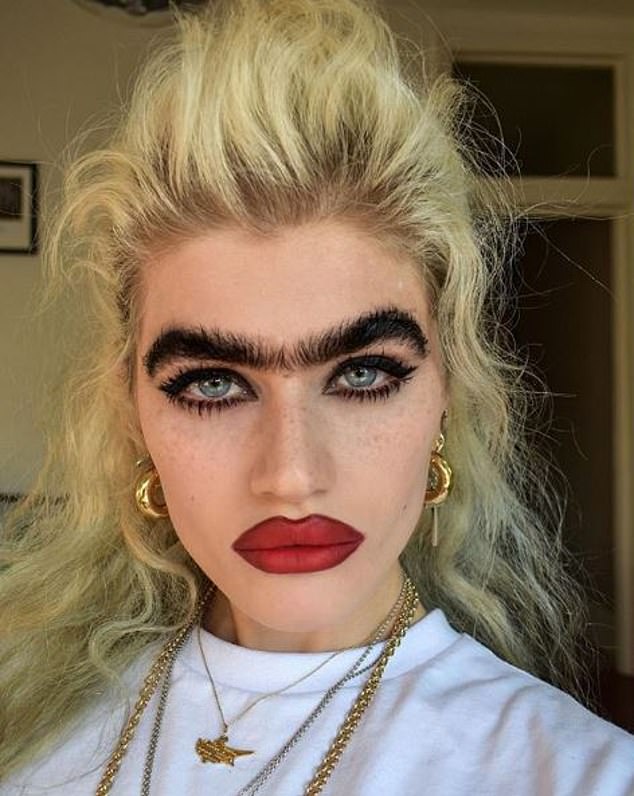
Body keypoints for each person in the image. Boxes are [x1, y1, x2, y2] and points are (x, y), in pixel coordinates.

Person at [1, 0, 633, 793]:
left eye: (362, 374)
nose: (292, 476)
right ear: (134, 413)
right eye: (214, 383)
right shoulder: (29, 717)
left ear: (448, 392)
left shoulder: (578, 774)